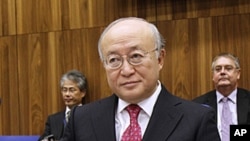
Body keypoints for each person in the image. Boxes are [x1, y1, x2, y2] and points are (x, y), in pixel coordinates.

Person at [61, 17, 220, 141]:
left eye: (136, 56)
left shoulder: (197, 119)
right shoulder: (81, 119)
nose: (126, 70)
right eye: (114, 60)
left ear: (160, 59)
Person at [193, 53, 250, 140]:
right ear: (213, 76)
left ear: (238, 74)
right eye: (218, 69)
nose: (222, 72)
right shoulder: (198, 105)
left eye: (228, 68)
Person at [38, 69, 87, 141]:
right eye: (64, 90)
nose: (67, 94)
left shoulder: (89, 117)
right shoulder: (53, 120)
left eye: (72, 90)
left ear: (83, 93)